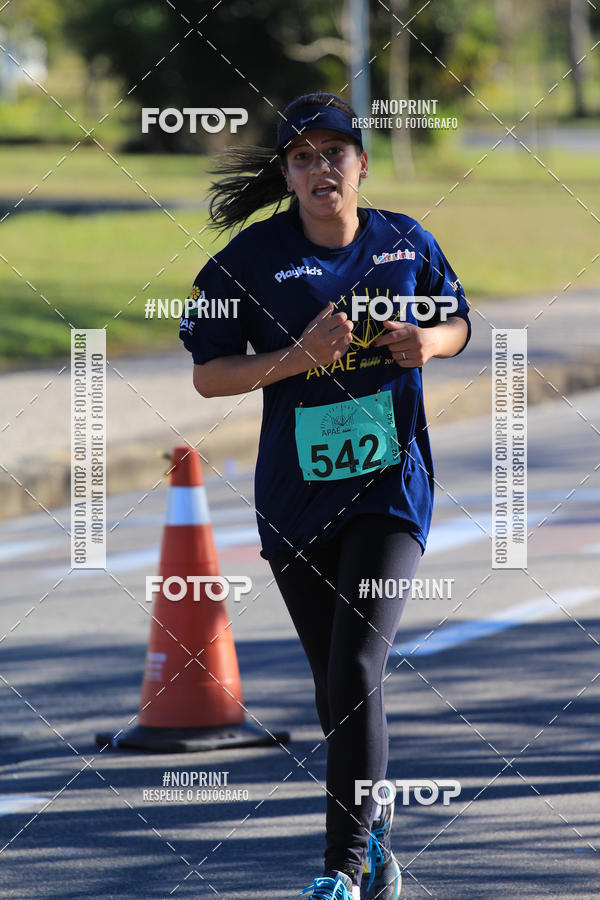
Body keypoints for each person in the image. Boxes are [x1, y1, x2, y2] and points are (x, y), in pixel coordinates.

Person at [179, 91, 471, 900]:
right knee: (334, 684)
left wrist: (428, 343)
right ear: (286, 173)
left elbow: (460, 323)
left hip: (390, 490)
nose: (320, 169)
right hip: (296, 499)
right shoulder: (250, 261)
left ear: (362, 163)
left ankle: (341, 868)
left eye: (333, 152)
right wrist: (299, 357)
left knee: (358, 670)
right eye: (302, 157)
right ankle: (375, 829)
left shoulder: (405, 243)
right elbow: (209, 375)